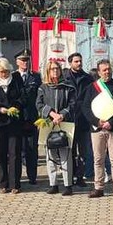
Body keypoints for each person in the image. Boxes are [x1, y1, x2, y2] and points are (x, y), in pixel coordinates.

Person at [83, 59, 113, 199]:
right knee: (98, 159)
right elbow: (85, 108)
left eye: (109, 69)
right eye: (104, 70)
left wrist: (112, 122)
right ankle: (99, 188)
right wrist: (97, 122)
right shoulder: (92, 88)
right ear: (99, 72)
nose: (107, 72)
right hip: (97, 129)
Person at [37, 61, 77, 195]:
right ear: (48, 71)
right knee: (50, 155)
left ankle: (68, 185)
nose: (55, 71)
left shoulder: (68, 87)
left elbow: (72, 104)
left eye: (57, 68)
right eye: (52, 69)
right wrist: (51, 113)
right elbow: (39, 104)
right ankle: (53, 184)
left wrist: (62, 115)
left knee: (66, 155)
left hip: (64, 123)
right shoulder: (43, 87)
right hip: (49, 124)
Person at [0, 57, 24, 193]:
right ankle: (3, 183)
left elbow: (22, 97)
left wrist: (15, 107)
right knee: (1, 153)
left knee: (14, 154)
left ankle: (15, 184)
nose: (4, 74)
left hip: (14, 122)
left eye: (6, 71)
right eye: (1, 72)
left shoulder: (16, 79)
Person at [64, 53, 93, 186]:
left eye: (80, 61)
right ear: (70, 63)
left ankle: (80, 177)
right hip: (68, 119)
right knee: (70, 150)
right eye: (76, 61)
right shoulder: (64, 78)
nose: (79, 63)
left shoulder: (88, 78)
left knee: (83, 152)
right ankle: (69, 176)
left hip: (83, 120)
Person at [15, 49, 42, 185]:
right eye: (22, 60)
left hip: (32, 118)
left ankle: (32, 177)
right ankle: (17, 178)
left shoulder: (36, 77)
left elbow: (39, 97)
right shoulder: (13, 76)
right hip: (17, 118)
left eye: (27, 60)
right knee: (17, 150)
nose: (25, 62)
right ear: (17, 62)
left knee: (32, 149)